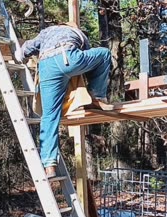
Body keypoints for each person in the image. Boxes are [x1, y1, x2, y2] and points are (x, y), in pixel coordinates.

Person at [17, 22, 112, 178]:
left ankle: (49, 166)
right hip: (68, 58)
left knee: (49, 116)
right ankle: (97, 96)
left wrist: (20, 56)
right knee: (104, 54)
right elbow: (91, 64)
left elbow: (26, 49)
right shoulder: (78, 34)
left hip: (47, 67)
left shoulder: (47, 32)